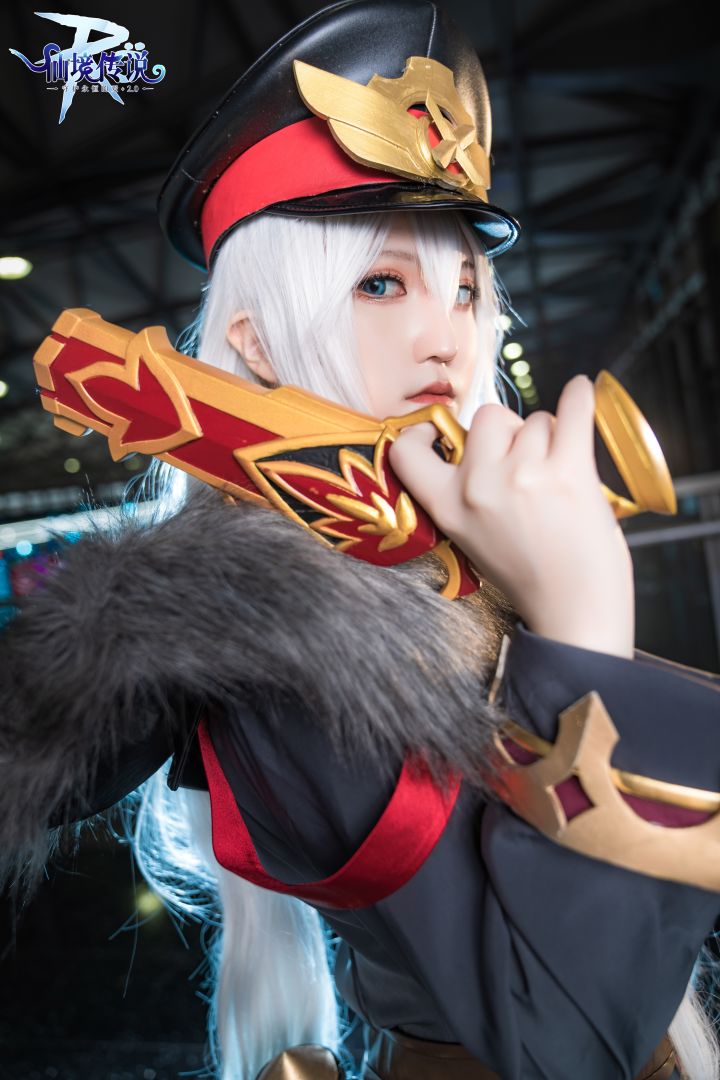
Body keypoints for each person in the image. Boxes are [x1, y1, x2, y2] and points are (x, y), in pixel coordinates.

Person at [1, 2, 719, 1079]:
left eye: (466, 289)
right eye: (382, 283)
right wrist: (584, 617)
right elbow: (564, 1048)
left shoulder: (452, 549)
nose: (448, 337)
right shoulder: (283, 642)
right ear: (255, 341)